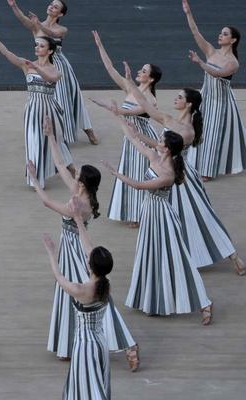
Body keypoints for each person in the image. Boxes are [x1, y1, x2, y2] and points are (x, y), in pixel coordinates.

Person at [28, 121, 139, 369]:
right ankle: (67, 344)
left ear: (83, 183)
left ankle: (128, 344)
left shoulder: (80, 205)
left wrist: (35, 180)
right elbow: (59, 165)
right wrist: (50, 138)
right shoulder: (80, 193)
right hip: (70, 247)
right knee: (70, 294)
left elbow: (47, 203)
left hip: (77, 250)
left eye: (77, 175)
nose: (73, 174)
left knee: (92, 296)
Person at [120, 75, 246, 274]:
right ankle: (178, 258)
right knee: (177, 220)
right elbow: (146, 106)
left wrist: (137, 136)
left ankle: (232, 255)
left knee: (199, 217)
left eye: (179, 97)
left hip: (182, 180)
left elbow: (163, 149)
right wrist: (130, 84)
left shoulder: (187, 132)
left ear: (188, 105)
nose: (175, 99)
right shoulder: (171, 120)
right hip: (171, 175)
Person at [105, 119, 213, 324]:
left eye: (161, 140)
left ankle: (204, 302)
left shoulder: (168, 174)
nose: (158, 141)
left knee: (178, 258)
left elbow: (139, 185)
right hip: (150, 213)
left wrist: (116, 173)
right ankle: (154, 300)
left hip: (162, 216)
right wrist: (118, 117)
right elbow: (135, 141)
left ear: (168, 148)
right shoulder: (156, 157)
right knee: (150, 254)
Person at [0, 25, 72, 187]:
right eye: (36, 45)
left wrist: (37, 67)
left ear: (50, 51)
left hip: (49, 111)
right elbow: (7, 54)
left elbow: (52, 79)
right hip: (32, 110)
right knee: (34, 142)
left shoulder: (54, 69)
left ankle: (70, 168)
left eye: (41, 46)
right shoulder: (27, 65)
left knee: (56, 142)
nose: (37, 48)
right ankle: (37, 179)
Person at [88, 32, 157, 226]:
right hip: (130, 136)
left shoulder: (150, 99)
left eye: (144, 71)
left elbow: (130, 112)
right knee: (130, 170)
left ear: (150, 79)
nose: (140, 72)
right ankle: (134, 212)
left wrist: (109, 107)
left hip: (142, 137)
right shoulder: (130, 88)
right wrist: (100, 45)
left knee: (138, 173)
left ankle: (138, 215)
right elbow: (110, 69)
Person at [4, 0, 94, 143]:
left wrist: (38, 23)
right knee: (56, 101)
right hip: (43, 66)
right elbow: (22, 19)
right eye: (51, 4)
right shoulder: (36, 26)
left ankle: (88, 129)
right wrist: (14, 6)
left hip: (60, 66)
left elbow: (52, 34)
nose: (51, 6)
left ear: (61, 14)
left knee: (73, 98)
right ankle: (60, 135)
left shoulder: (62, 29)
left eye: (55, 6)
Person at [41, 227, 114, 399]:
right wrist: (79, 221)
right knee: (97, 385)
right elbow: (89, 249)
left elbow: (59, 277)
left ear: (90, 265)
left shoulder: (80, 290)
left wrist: (51, 252)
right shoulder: (107, 284)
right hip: (100, 342)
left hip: (84, 346)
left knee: (85, 388)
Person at [182, 0, 242, 177]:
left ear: (233, 40)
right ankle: (188, 162)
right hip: (205, 97)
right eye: (220, 33)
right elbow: (195, 32)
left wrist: (200, 62)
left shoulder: (233, 62)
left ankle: (208, 171)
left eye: (224, 34)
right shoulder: (211, 51)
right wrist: (188, 13)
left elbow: (217, 73)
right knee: (196, 129)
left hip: (221, 103)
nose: (220, 35)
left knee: (213, 134)